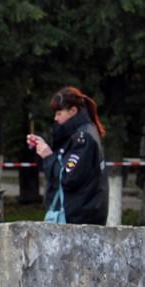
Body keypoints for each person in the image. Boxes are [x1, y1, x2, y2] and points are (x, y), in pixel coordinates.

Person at [27, 86, 108, 224]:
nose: (55, 118)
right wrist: (48, 152)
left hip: (78, 219)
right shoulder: (78, 134)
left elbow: (68, 177)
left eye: (59, 113)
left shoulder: (83, 138)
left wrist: (48, 157)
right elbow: (66, 165)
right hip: (80, 216)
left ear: (73, 111)